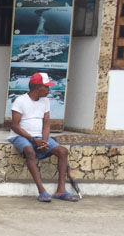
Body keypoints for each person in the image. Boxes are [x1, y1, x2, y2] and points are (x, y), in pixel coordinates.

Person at [9, 72, 78, 203]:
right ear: (37, 87)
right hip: (21, 135)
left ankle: (61, 190)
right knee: (30, 151)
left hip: (40, 136)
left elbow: (46, 122)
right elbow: (15, 126)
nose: (48, 89)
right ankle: (41, 190)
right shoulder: (20, 101)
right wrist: (32, 139)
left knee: (62, 151)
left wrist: (44, 140)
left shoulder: (45, 101)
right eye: (46, 87)